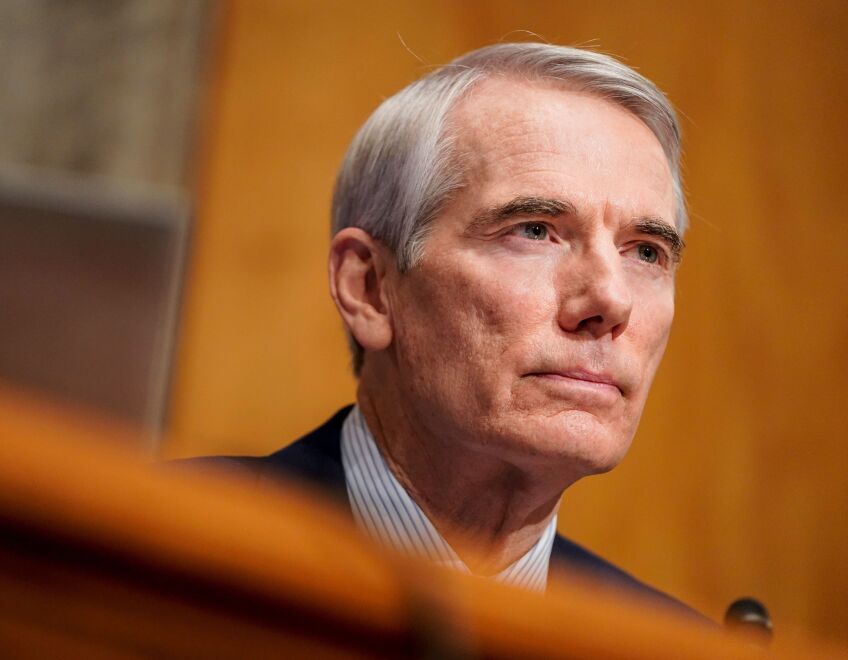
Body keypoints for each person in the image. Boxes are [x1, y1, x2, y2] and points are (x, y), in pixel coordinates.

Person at [188, 42, 694, 613]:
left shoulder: (674, 645)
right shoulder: (161, 557)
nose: (610, 299)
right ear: (370, 288)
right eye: (534, 230)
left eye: (647, 253)